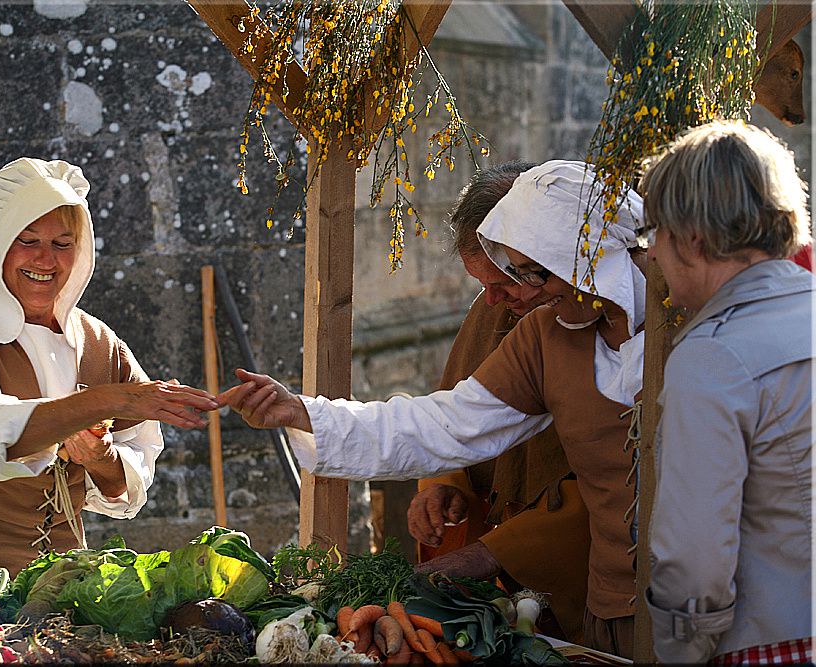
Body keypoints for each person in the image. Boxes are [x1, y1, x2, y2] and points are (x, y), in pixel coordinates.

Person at [221, 160, 647, 658]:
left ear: (587, 259)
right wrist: (302, 412)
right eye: (519, 273)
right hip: (616, 607)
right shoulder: (545, 334)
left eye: (535, 272)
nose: (527, 292)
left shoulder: (689, 327)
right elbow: (443, 424)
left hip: (721, 608)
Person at [0, 158, 219, 587]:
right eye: (27, 239)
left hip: (50, 595)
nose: (45, 258)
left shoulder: (98, 344)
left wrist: (100, 457)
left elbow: (129, 479)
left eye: (62, 243)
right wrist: (110, 400)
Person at [639, 121, 812, 664]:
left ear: (691, 238)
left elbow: (694, 562)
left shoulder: (715, 357)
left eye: (654, 235)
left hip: (771, 642)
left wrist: (680, 652)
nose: (652, 257)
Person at [409, 162, 590, 644]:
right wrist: (443, 484)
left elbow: (611, 486)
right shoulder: (492, 310)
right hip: (496, 589)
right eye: (481, 285)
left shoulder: (602, 326)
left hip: (585, 590)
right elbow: (453, 415)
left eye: (507, 283)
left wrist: (496, 551)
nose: (492, 301)